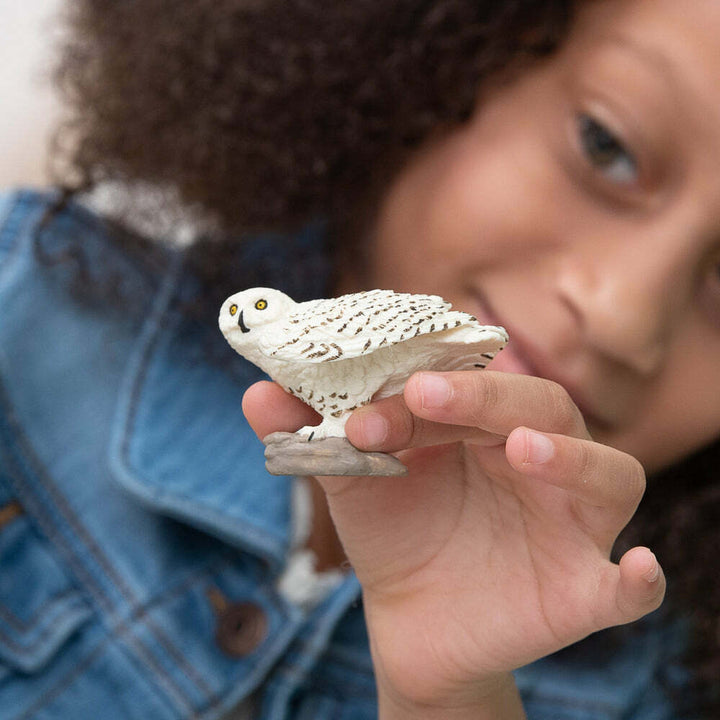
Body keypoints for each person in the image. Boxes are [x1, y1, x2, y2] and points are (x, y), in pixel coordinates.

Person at [1, 0, 718, 717]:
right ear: (442, 63)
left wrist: (448, 700)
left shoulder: (664, 689)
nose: (624, 317)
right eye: (607, 146)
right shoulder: (22, 325)